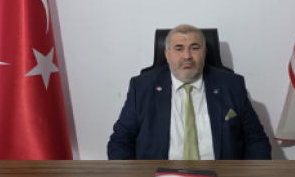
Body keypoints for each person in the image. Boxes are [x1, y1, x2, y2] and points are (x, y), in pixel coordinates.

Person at [108, 25, 272, 160]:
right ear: (167, 55)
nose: (187, 56)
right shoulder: (142, 87)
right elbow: (120, 141)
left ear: (204, 53)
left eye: (194, 48)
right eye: (179, 49)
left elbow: (256, 140)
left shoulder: (232, 85)